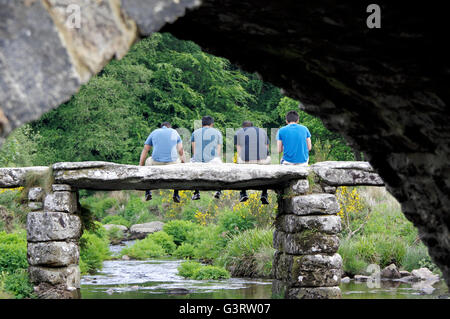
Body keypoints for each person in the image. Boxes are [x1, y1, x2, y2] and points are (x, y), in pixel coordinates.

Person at [139, 122, 185, 202]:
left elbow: (146, 150)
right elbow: (180, 150)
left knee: (148, 161)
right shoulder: (174, 132)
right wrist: (183, 162)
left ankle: (148, 191)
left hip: (157, 162)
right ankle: (176, 193)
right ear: (169, 127)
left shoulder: (154, 132)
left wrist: (140, 165)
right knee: (179, 162)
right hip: (173, 163)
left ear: (161, 127)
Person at [234, 121, 271, 204]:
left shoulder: (239, 132)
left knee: (240, 164)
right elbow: (267, 147)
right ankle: (264, 194)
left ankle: (243, 192)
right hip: (263, 160)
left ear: (243, 127)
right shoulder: (262, 131)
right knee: (265, 169)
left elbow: (239, 151)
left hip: (246, 160)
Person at [190, 116, 223, 200]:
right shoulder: (217, 132)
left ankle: (196, 192)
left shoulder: (195, 132)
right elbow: (218, 149)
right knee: (220, 167)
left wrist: (197, 158)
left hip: (198, 160)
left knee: (193, 166)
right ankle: (218, 190)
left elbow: (193, 149)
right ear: (212, 124)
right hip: (212, 160)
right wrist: (216, 159)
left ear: (202, 124)